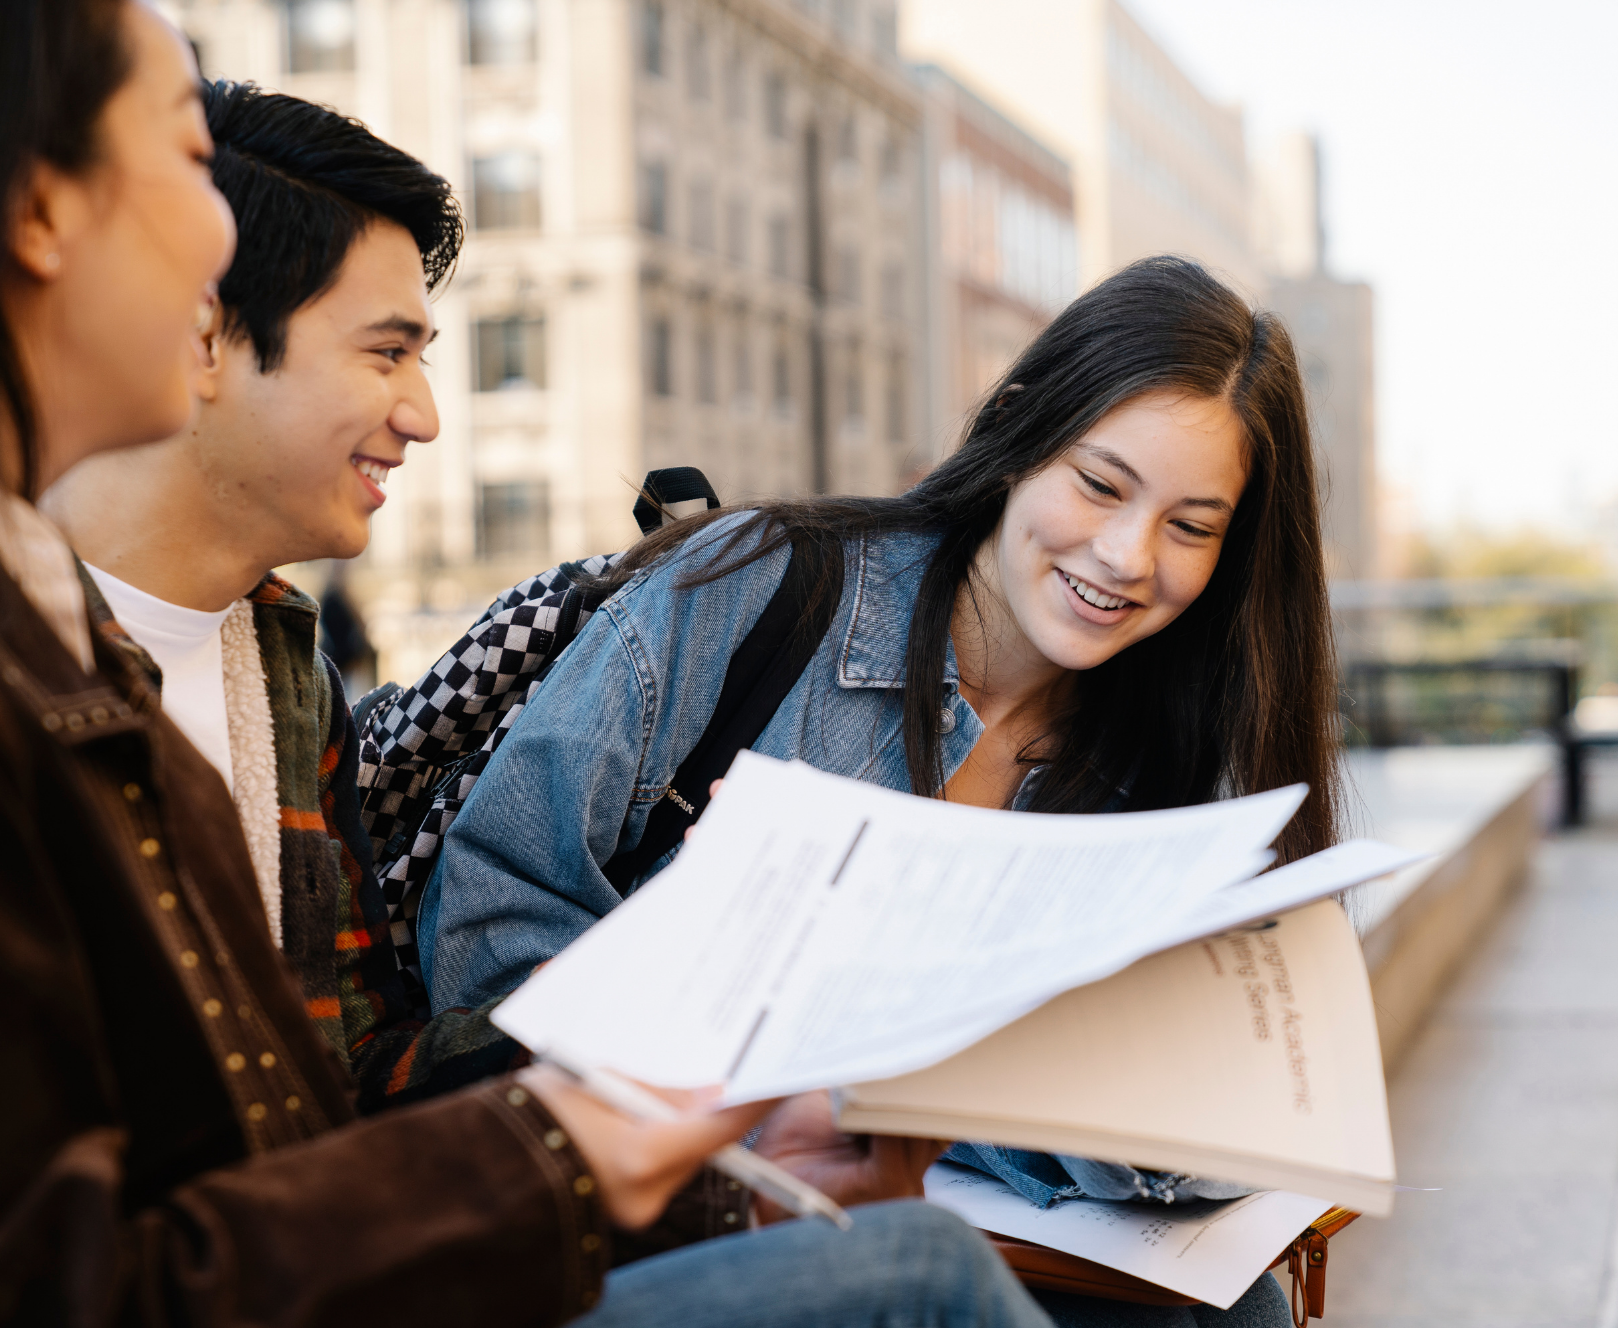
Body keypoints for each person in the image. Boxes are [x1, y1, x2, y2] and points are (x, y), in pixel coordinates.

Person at [0, 3, 1061, 1324]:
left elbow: (335, 1102)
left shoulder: (220, 657)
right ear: (37, 212)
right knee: (922, 1280)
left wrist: (692, 1149)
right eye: (189, 159)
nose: (215, 237)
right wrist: (570, 1145)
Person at [417, 255, 1343, 1326]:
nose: (1128, 554)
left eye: (1191, 525)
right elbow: (485, 930)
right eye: (1099, 483)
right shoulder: (753, 588)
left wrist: (953, 1096)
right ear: (1018, 431)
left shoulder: (1175, 757)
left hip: (986, 1231)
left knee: (1230, 1312)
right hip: (663, 1212)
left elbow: (1218, 1131)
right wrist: (751, 1085)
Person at [42, 79, 512, 1113]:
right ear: (206, 334)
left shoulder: (287, 665)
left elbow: (346, 1066)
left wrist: (630, 989)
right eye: (388, 352)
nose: (423, 415)